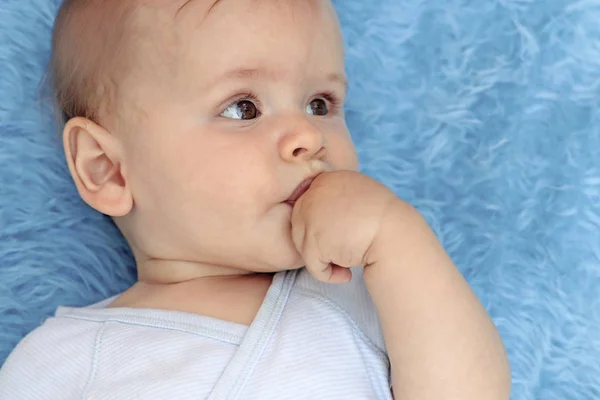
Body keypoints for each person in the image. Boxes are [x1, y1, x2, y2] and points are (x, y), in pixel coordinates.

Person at [0, 0, 511, 398]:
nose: (308, 137)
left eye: (320, 103)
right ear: (108, 169)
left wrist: (400, 240)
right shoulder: (60, 359)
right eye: (243, 108)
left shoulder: (360, 291)